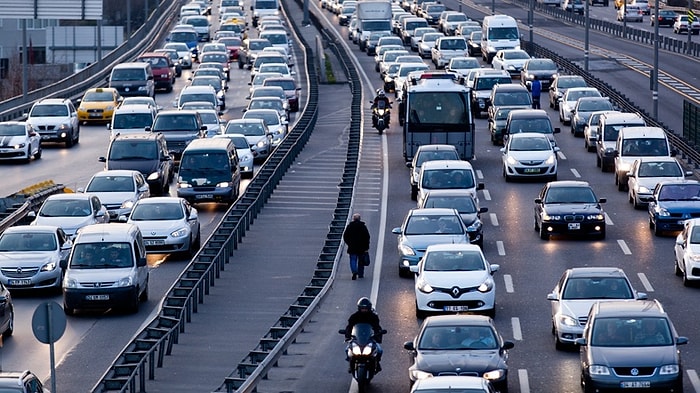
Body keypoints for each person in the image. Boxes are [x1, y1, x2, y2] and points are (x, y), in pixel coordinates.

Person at [344, 297, 384, 372]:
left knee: (379, 350)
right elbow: (349, 327)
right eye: (362, 308)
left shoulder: (373, 317)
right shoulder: (354, 317)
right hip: (357, 338)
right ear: (359, 308)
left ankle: (377, 363)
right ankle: (351, 364)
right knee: (347, 350)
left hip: (369, 338)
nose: (364, 310)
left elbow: (377, 328)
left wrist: (378, 336)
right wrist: (347, 336)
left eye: (365, 308)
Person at [343, 213, 370, 280]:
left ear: (353, 219)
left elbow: (345, 236)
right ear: (360, 219)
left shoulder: (350, 226)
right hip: (362, 248)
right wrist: (366, 247)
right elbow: (367, 237)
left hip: (352, 247)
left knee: (353, 260)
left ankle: (354, 272)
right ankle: (360, 274)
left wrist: (349, 243)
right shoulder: (363, 227)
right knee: (361, 261)